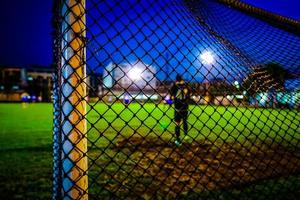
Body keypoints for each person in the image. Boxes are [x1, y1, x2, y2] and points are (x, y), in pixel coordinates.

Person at [170, 74, 191, 145]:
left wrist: (172, 99)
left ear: (176, 79)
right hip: (185, 107)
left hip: (177, 107)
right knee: (185, 121)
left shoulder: (174, 86)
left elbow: (171, 97)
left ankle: (178, 139)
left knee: (177, 123)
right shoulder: (186, 85)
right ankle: (186, 135)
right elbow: (189, 94)